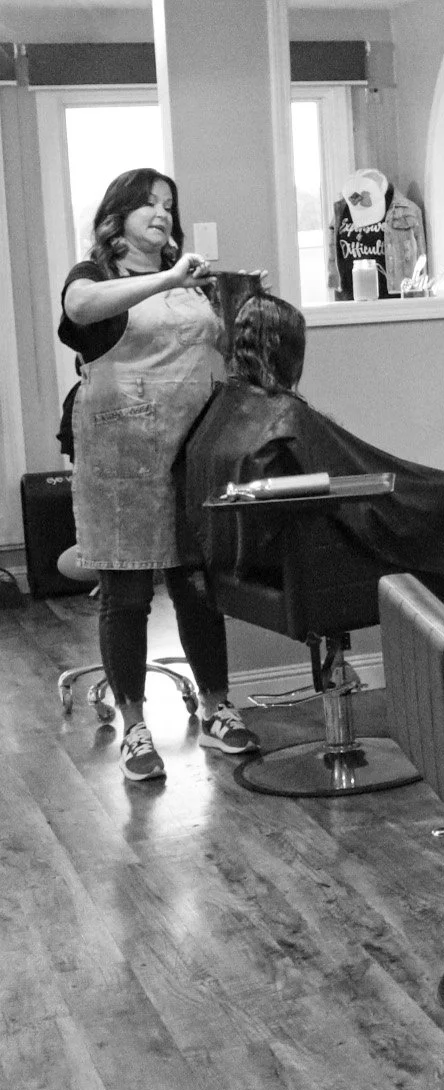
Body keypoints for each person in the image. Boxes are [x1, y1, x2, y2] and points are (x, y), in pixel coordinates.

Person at [62, 167, 252, 783]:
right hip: (121, 459)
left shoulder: (192, 284)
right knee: (128, 595)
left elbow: (225, 345)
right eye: (148, 204)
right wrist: (165, 279)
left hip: (192, 455)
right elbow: (77, 308)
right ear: (116, 217)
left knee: (197, 586)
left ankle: (219, 710)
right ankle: (136, 725)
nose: (162, 213)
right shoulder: (94, 278)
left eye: (169, 204)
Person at [177, 293, 444, 590]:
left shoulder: (224, 407)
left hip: (258, 568)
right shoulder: (286, 417)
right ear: (287, 352)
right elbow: (361, 493)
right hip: (317, 561)